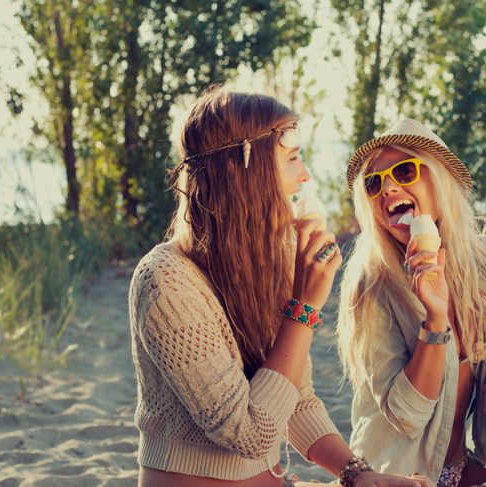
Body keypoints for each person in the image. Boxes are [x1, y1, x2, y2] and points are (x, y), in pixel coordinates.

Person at [128, 87, 433, 487]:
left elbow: (296, 399)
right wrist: (305, 307)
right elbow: (248, 434)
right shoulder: (166, 281)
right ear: (244, 172)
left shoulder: (266, 265)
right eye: (291, 158)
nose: (304, 174)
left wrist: (357, 473)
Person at [336, 118, 486, 487]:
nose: (388, 188)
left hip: (462, 466)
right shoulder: (371, 284)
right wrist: (435, 320)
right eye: (373, 183)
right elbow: (405, 415)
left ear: (439, 179)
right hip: (396, 473)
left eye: (404, 171)